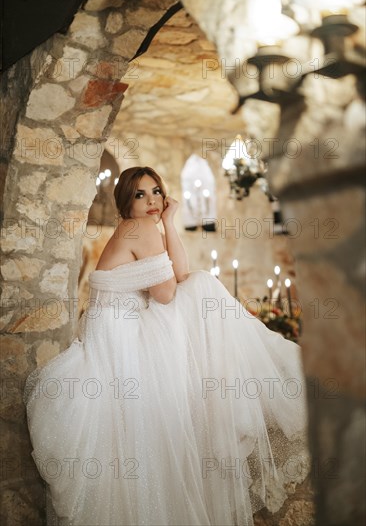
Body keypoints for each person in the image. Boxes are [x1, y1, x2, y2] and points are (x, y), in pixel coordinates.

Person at [24, 166, 310, 526]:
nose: (152, 201)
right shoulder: (139, 228)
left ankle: (236, 387)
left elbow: (177, 275)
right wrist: (165, 229)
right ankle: (253, 385)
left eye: (156, 192)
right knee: (203, 288)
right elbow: (169, 291)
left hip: (114, 329)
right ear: (126, 201)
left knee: (201, 286)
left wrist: (171, 222)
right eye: (140, 194)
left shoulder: (139, 228)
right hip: (119, 337)